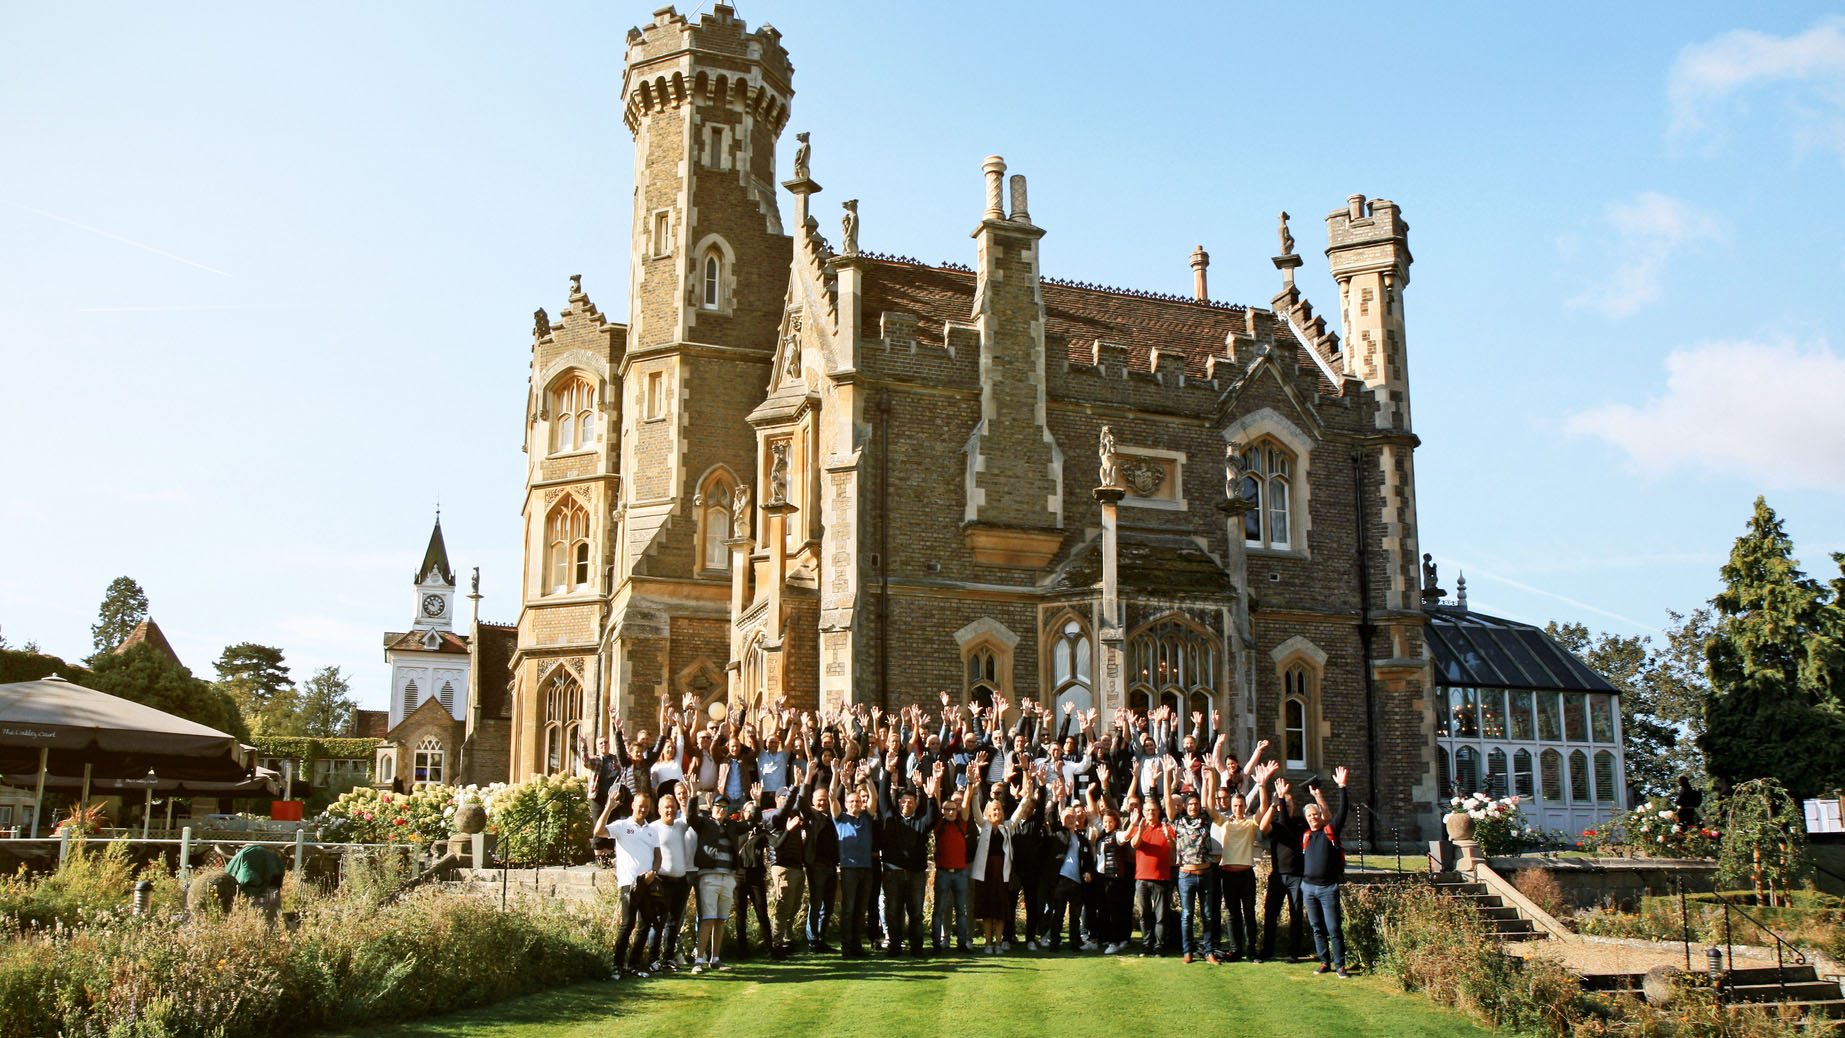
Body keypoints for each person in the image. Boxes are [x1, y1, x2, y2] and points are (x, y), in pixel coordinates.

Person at [967, 760, 1037, 954]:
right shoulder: (984, 825)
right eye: (993, 810)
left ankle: (998, 944)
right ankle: (988, 944)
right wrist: (973, 790)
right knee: (987, 911)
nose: (996, 812)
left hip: (1001, 874)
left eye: (999, 810)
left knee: (1000, 911)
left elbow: (1018, 814)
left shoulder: (1007, 828)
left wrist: (1026, 797)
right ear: (989, 812)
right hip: (986, 873)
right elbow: (975, 813)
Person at [1211, 760, 1274, 960]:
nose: (1237, 808)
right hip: (1227, 874)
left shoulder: (1250, 822)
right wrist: (1208, 780)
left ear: (1245, 806)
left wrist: (1262, 785)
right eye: (1235, 805)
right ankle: (1235, 949)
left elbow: (1263, 807)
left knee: (1248, 913)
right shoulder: (1224, 822)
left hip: (1246, 874)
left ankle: (1251, 950)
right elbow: (1208, 808)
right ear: (1231, 806)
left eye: (1240, 805)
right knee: (1231, 915)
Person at [595, 791, 661, 978]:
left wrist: (653, 872)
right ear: (633, 805)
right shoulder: (622, 826)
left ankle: (633, 965)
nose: (643, 809)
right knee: (627, 924)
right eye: (640, 805)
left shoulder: (651, 830)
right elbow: (598, 831)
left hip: (647, 883)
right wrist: (609, 807)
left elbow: (658, 856)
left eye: (646, 807)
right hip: (629, 883)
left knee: (646, 924)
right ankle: (616, 965)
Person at [877, 757, 936, 957]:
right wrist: (887, 771)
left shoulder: (921, 822)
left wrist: (930, 797)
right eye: (903, 801)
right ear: (898, 802)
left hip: (916, 875)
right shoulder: (889, 818)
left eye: (910, 801)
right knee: (893, 913)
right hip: (893, 874)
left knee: (916, 914)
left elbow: (933, 817)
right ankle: (894, 947)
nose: (906, 804)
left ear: (915, 803)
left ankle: (917, 949)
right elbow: (883, 797)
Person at [1301, 766, 1351, 978]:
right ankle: (1324, 962)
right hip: (1308, 888)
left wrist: (1341, 787)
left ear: (1321, 816)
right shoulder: (1305, 836)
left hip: (1328, 888)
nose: (1313, 818)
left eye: (1316, 814)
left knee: (1333, 928)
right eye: (1310, 815)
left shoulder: (1329, 832)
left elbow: (1342, 811)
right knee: (1317, 927)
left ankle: (1340, 965)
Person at [687, 792, 744, 973]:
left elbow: (750, 824)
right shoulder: (704, 823)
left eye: (725, 807)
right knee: (708, 918)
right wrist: (693, 796)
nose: (721, 810)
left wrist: (757, 803)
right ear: (712, 807)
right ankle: (698, 960)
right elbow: (690, 817)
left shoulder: (732, 826)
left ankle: (715, 958)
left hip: (727, 877)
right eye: (719, 806)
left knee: (721, 919)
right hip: (709, 876)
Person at [1258, 775, 1309, 962]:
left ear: (1293, 806)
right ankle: (1267, 949)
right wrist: (1273, 805)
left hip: (1297, 876)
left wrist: (1282, 798)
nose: (1286, 808)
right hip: (1278, 876)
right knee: (1271, 912)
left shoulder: (1300, 823)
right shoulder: (1277, 825)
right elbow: (1263, 827)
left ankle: (1294, 951)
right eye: (1283, 805)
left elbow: (1289, 821)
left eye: (1288, 805)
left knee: (1296, 914)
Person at [930, 763, 976, 952]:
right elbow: (935, 800)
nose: (950, 811)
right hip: (943, 873)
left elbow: (966, 803)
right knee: (939, 911)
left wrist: (971, 783)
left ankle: (962, 943)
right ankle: (937, 943)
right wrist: (938, 778)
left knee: (961, 911)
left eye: (953, 809)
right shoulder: (939, 825)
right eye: (947, 809)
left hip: (960, 873)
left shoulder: (961, 823)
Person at [646, 792, 694, 971]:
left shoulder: (681, 826)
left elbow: (689, 815)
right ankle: (652, 960)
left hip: (680, 881)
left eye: (672, 807)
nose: (670, 810)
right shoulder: (653, 828)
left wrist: (688, 797)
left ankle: (668, 958)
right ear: (659, 810)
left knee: (674, 922)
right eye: (666, 807)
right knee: (658, 921)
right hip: (661, 881)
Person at [1127, 795, 1175, 957]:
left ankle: (1159, 946)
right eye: (1147, 810)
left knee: (1161, 915)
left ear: (1159, 812)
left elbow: (1173, 847)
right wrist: (1140, 830)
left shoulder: (1166, 828)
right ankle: (1147, 945)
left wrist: (1168, 838)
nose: (1150, 813)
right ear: (1143, 812)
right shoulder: (1140, 827)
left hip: (1161, 878)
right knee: (1144, 914)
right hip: (1142, 878)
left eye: (1153, 810)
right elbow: (1134, 844)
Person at [731, 784, 774, 959]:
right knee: (740, 915)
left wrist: (757, 802)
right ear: (742, 813)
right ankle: (742, 950)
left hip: (756, 875)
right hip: (739, 875)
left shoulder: (760, 833)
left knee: (761, 912)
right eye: (747, 811)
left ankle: (770, 949)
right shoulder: (737, 829)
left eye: (752, 811)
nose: (750, 813)